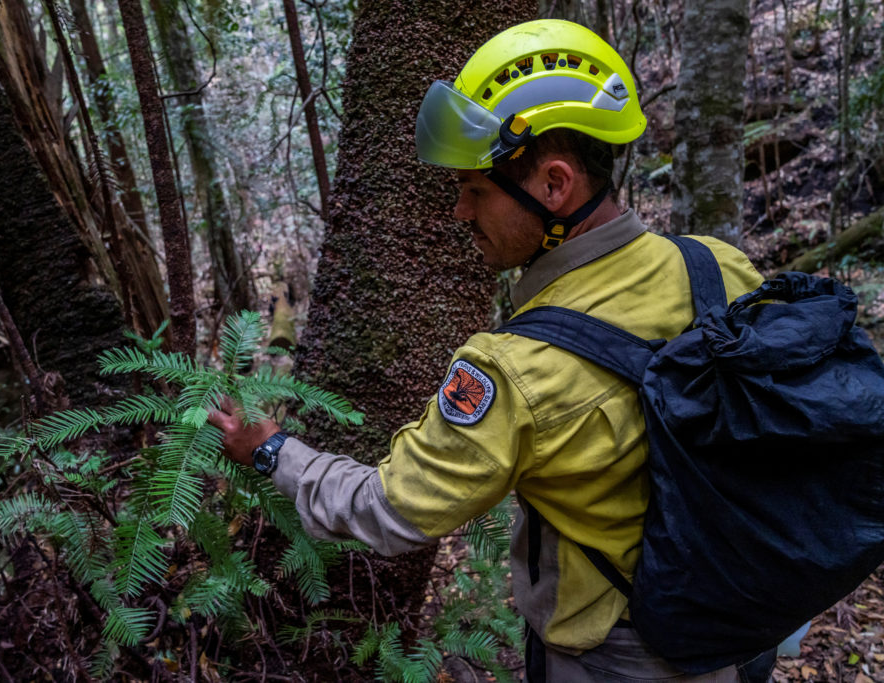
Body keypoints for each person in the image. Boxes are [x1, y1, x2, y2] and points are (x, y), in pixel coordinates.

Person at [208, 19, 771, 682]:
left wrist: (273, 451)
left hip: (619, 656)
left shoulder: (513, 368)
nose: (459, 212)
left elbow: (392, 510)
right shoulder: (722, 267)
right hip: (745, 624)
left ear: (555, 184)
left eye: (476, 189)